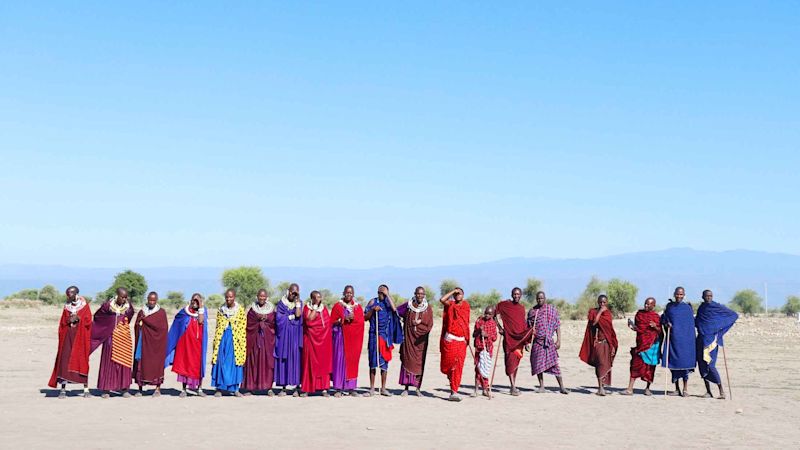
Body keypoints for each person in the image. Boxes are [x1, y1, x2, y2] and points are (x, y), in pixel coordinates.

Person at [48, 286, 92, 398]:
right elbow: (62, 322)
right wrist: (69, 320)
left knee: (82, 361)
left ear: (76, 293)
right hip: (67, 338)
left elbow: (88, 322)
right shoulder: (67, 307)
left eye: (70, 293)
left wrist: (78, 318)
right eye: (67, 294)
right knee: (64, 362)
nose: (69, 296)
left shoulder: (84, 306)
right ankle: (63, 390)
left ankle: (86, 389)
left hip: (80, 338)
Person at [90, 287, 135, 398]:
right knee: (109, 363)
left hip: (124, 338)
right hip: (110, 338)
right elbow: (98, 316)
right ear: (117, 296)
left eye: (126, 297)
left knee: (124, 363)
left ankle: (124, 389)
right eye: (122, 297)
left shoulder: (128, 308)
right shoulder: (107, 306)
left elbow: (129, 318)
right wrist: (108, 325)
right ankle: (106, 389)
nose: (124, 300)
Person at [695, 289, 738, 399]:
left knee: (711, 365)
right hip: (701, 339)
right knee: (702, 365)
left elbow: (733, 315)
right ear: (702, 297)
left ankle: (721, 391)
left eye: (710, 296)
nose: (709, 298)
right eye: (706, 296)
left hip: (711, 341)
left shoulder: (717, 307)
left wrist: (719, 329)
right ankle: (708, 391)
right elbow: (698, 322)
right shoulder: (701, 308)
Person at [165, 293, 208, 398]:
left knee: (198, 366)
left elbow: (201, 321)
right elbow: (177, 323)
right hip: (185, 344)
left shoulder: (203, 311)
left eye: (197, 301)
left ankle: (199, 389)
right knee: (185, 365)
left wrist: (201, 306)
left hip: (198, 345)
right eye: (194, 300)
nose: (195, 303)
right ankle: (184, 389)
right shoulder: (185, 312)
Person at [364, 284, 403, 396]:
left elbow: (395, 310)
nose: (381, 295)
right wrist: (372, 310)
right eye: (380, 292)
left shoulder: (388, 303)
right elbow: (365, 317)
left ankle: (383, 388)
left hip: (385, 336)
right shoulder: (372, 302)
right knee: (372, 362)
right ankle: (372, 388)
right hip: (373, 335)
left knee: (384, 363)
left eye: (383, 293)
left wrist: (387, 295)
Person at [527, 291, 568, 394]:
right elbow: (528, 328)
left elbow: (557, 324)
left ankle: (562, 387)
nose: (540, 300)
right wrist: (527, 342)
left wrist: (559, 340)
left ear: (545, 298)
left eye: (542, 298)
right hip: (537, 342)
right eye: (538, 298)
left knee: (554, 364)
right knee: (538, 364)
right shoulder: (533, 312)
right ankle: (541, 386)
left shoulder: (551, 310)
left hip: (549, 342)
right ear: (536, 299)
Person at [397, 286, 434, 397]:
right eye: (418, 294)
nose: (420, 296)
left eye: (422, 294)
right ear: (415, 294)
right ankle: (406, 388)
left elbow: (429, 325)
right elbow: (396, 312)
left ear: (424, 295)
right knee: (407, 361)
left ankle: (418, 388)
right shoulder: (408, 306)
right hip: (409, 340)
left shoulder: (428, 309)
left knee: (419, 363)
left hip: (420, 342)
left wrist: (419, 324)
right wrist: (406, 321)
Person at [578, 294, 618, 396]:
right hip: (598, 343)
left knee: (606, 364)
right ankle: (600, 388)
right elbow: (594, 323)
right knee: (600, 364)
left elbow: (610, 330)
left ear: (607, 302)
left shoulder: (608, 314)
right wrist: (600, 312)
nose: (602, 304)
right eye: (600, 302)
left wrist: (612, 345)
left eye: (604, 302)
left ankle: (602, 387)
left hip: (607, 342)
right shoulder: (593, 312)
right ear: (598, 302)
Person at [330, 285, 365, 397]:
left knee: (352, 362)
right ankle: (338, 388)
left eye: (351, 293)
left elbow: (361, 323)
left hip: (353, 340)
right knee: (339, 361)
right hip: (340, 338)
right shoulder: (337, 306)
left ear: (353, 294)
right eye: (347, 292)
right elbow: (332, 322)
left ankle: (351, 388)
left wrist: (353, 319)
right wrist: (343, 320)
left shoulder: (357, 307)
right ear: (343, 293)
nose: (349, 294)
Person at [622, 297, 661, 396]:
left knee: (650, 367)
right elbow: (638, 328)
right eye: (645, 304)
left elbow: (661, 331)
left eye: (649, 304)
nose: (646, 306)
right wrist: (632, 326)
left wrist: (655, 326)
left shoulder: (656, 317)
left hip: (652, 345)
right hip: (641, 343)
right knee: (635, 364)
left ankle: (647, 388)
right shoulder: (639, 315)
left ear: (653, 306)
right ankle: (630, 388)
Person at [661, 286, 696, 397]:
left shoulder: (688, 308)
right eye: (677, 294)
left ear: (684, 295)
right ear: (674, 294)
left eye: (681, 294)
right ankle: (676, 389)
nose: (679, 296)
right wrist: (667, 323)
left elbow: (690, 324)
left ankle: (685, 389)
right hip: (673, 339)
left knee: (685, 364)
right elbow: (664, 318)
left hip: (685, 341)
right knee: (673, 364)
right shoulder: (669, 307)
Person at [494, 287, 530, 396]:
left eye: (518, 294)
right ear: (511, 294)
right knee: (509, 362)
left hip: (519, 340)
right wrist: (499, 327)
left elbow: (523, 325)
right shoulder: (504, 305)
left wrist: (527, 342)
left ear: (521, 295)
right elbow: (493, 313)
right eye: (515, 294)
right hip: (509, 338)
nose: (516, 296)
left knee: (516, 362)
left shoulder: (521, 308)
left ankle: (512, 385)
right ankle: (513, 386)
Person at [211, 288, 247, 397]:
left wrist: (235, 332)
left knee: (234, 363)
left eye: (230, 297)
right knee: (220, 362)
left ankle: (235, 389)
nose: (228, 299)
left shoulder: (240, 310)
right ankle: (219, 388)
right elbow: (218, 325)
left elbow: (242, 325)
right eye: (227, 297)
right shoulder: (221, 309)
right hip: (222, 338)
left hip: (235, 339)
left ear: (234, 297)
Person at [133, 291, 168, 397]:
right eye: (150, 300)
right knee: (140, 363)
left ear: (156, 300)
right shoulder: (142, 312)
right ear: (147, 299)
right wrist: (140, 325)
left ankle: (157, 388)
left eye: (153, 300)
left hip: (156, 345)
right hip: (143, 342)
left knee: (156, 365)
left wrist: (146, 322)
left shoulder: (161, 312)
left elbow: (163, 328)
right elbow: (136, 324)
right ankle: (140, 388)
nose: (151, 302)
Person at [243, 288, 276, 396]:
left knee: (267, 363)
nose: (262, 298)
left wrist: (266, 319)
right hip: (254, 341)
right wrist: (258, 321)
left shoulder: (271, 310)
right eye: (260, 296)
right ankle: (250, 387)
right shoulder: (252, 310)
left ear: (267, 297)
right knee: (253, 363)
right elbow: (249, 324)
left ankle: (268, 388)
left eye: (264, 296)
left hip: (267, 341)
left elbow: (273, 324)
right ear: (257, 297)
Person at [439, 287, 471, 402]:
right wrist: (453, 291)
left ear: (463, 295)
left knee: (458, 367)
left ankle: (454, 391)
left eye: (460, 294)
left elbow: (466, 322)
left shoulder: (466, 306)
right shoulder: (450, 304)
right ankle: (450, 377)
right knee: (448, 365)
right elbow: (442, 299)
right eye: (456, 294)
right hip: (450, 340)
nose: (458, 296)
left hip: (461, 341)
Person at [300, 291, 332, 397]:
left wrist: (323, 335)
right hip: (310, 341)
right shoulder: (307, 308)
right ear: (312, 298)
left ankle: (323, 388)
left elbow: (327, 324)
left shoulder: (324, 309)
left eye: (319, 297)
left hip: (323, 342)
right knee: (309, 364)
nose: (318, 299)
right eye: (316, 297)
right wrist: (314, 307)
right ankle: (307, 388)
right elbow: (309, 321)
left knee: (323, 364)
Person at [275, 283, 303, 396]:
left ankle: (297, 386)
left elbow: (298, 315)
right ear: (288, 291)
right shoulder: (282, 303)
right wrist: (289, 318)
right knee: (284, 359)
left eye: (296, 292)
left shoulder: (299, 303)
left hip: (295, 335)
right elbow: (279, 319)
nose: (293, 294)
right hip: (284, 335)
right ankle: (283, 386)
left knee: (296, 358)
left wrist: (297, 303)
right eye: (292, 292)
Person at [472, 306, 498, 398]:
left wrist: (487, 335)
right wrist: (479, 331)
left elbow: (495, 338)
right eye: (486, 313)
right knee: (478, 369)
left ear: (493, 314)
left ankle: (485, 390)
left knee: (485, 370)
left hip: (487, 349)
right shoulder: (479, 321)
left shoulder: (493, 323)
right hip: (479, 348)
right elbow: (473, 334)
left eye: (489, 314)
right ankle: (476, 390)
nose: (487, 315)